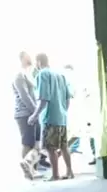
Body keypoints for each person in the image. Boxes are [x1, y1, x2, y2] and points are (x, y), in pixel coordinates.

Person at [28, 53, 74, 181]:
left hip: (49, 117)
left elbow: (44, 98)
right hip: (62, 117)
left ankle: (55, 175)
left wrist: (35, 115)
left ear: (38, 62)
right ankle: (69, 171)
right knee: (64, 146)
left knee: (50, 147)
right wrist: (63, 111)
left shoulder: (42, 74)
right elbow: (67, 99)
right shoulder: (60, 75)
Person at [14, 52, 40, 179]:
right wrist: (36, 112)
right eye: (28, 56)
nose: (31, 58)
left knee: (35, 143)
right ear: (23, 58)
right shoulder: (19, 75)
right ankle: (27, 171)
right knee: (27, 143)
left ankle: (32, 169)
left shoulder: (28, 74)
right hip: (25, 114)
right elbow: (25, 96)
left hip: (31, 112)